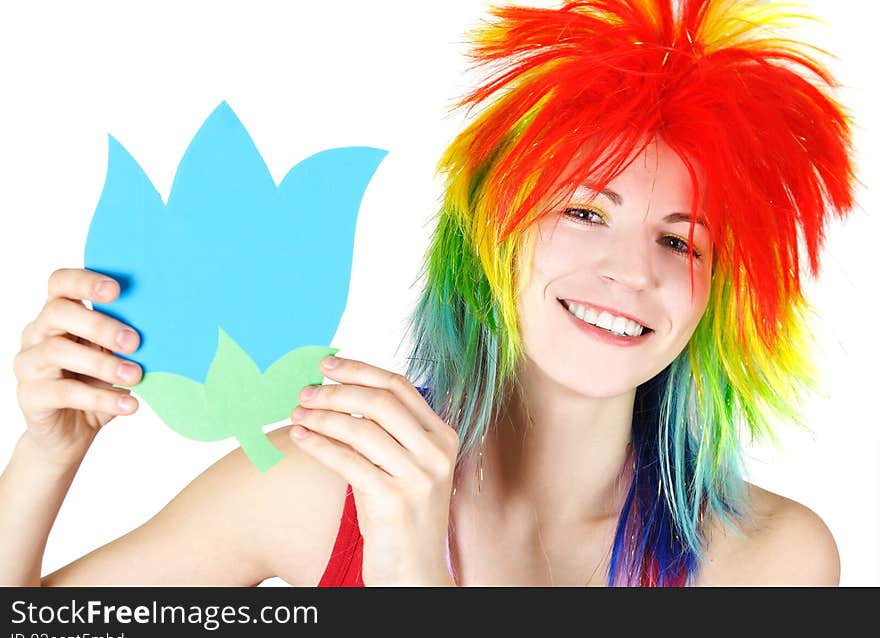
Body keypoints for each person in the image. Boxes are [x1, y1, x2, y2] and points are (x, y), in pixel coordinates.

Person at [0, 0, 855, 587]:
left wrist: (414, 577)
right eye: (585, 210)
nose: (633, 270)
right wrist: (48, 449)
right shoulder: (318, 484)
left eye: (679, 240)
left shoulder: (771, 561)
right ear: (491, 235)